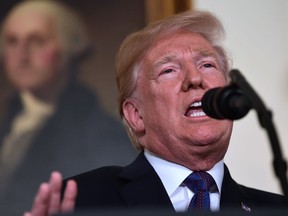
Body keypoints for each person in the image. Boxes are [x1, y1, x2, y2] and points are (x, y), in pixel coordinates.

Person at [24, 10, 287, 216]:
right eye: (169, 70)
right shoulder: (81, 202)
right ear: (136, 114)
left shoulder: (277, 209)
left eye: (207, 64)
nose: (195, 79)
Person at [0, 1, 136, 215]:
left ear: (68, 48)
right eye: (12, 41)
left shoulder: (101, 133)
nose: (22, 55)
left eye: (36, 41)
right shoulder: (10, 120)